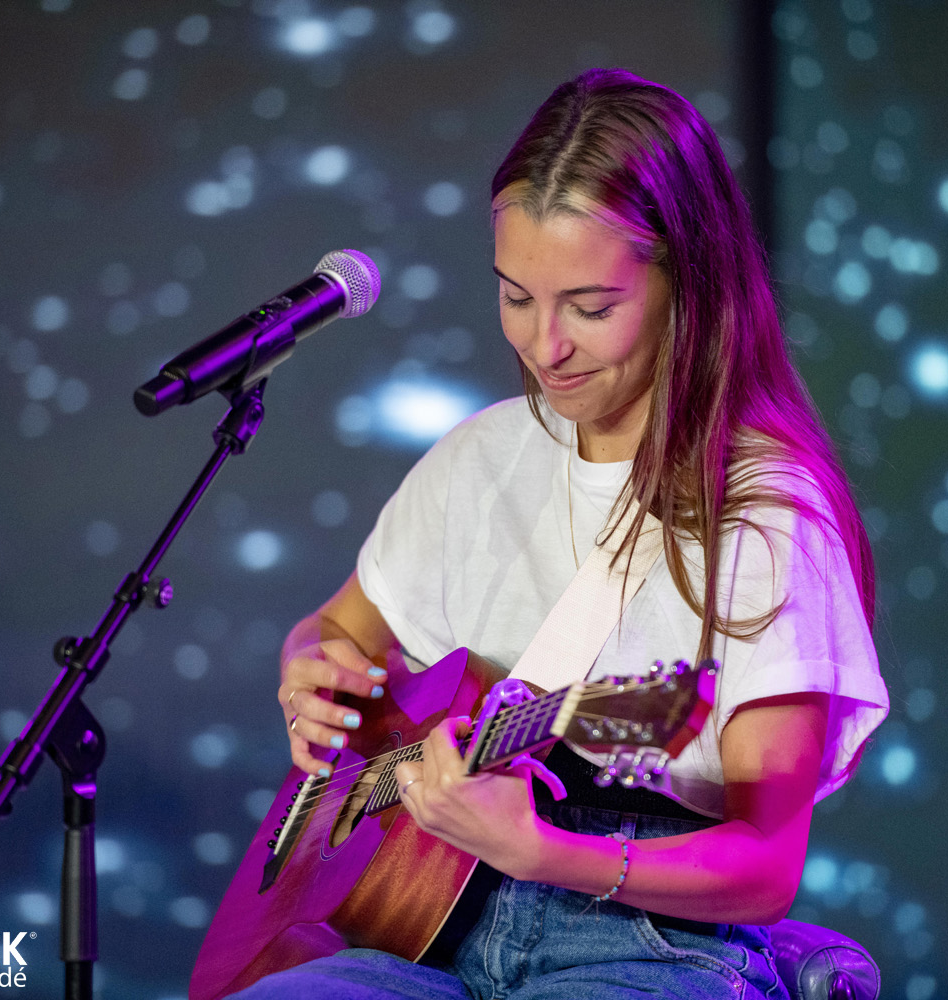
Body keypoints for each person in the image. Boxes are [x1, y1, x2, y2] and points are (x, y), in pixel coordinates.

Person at [238, 68, 888, 999]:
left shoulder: (765, 516)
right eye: (516, 297)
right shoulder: (480, 458)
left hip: (644, 946)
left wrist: (543, 851)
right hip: (418, 933)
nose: (544, 347)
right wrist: (311, 673)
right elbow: (335, 632)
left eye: (590, 308)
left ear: (689, 284)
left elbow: (766, 867)